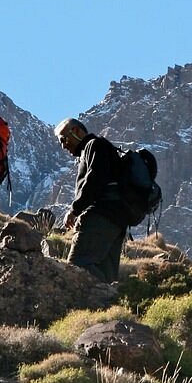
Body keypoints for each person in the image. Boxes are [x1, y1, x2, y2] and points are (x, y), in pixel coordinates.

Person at [55, 118, 127, 282]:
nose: (64, 146)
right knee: (106, 275)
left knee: (77, 265)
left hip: (100, 216)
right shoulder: (101, 148)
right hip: (117, 221)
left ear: (77, 131)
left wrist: (75, 209)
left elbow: (94, 179)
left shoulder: (94, 145)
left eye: (63, 139)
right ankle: (108, 304)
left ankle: (91, 302)